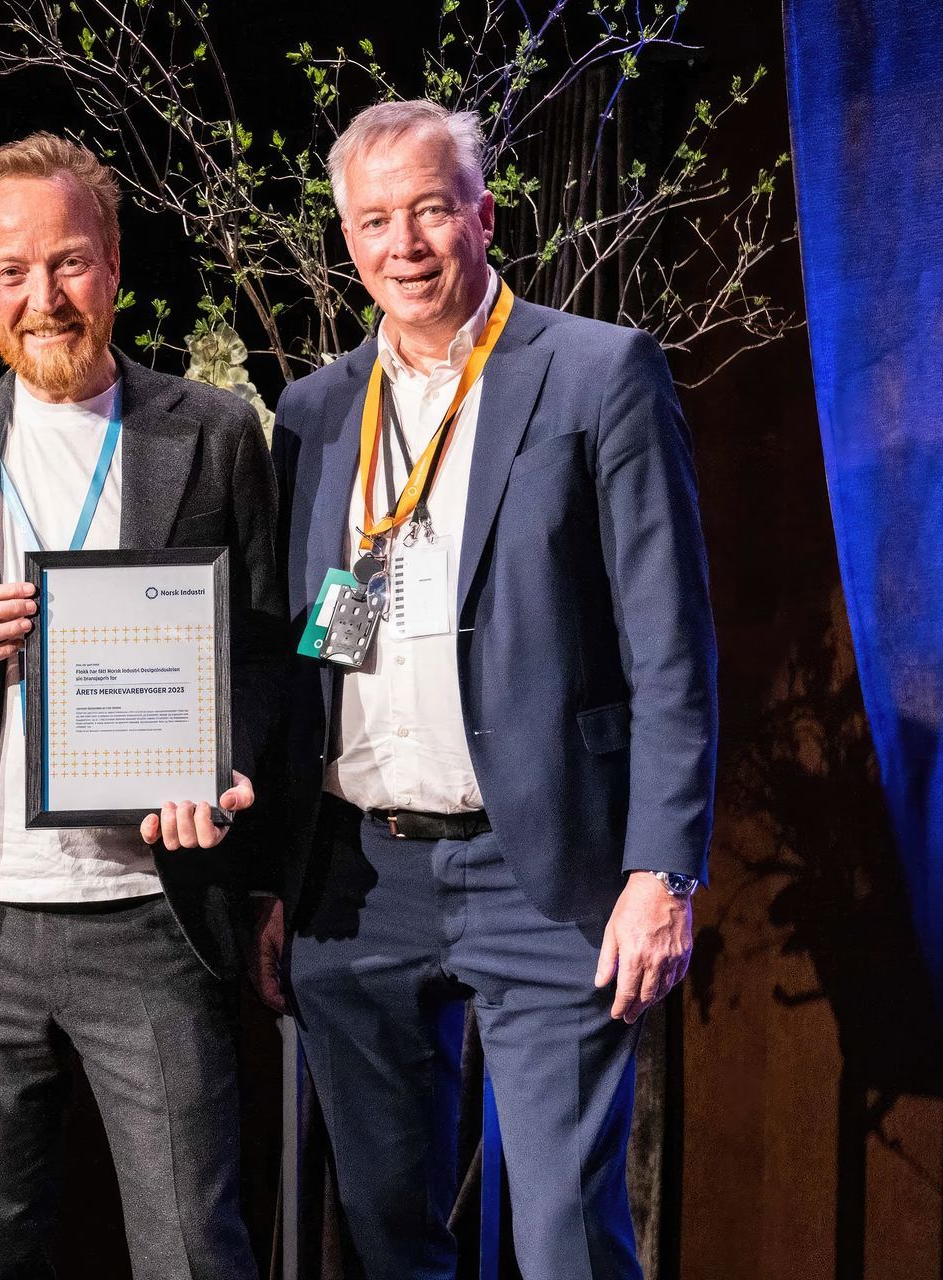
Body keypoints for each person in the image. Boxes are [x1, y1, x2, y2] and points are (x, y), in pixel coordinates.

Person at [263, 100, 716, 1279]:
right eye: (374, 220)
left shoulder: (596, 372)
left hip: (544, 871)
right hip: (360, 881)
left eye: (428, 209)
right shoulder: (314, 413)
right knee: (386, 1232)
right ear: (346, 240)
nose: (403, 243)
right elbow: (293, 655)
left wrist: (661, 868)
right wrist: (274, 871)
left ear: (483, 214)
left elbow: (672, 646)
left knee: (564, 1233)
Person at [0, 133, 283, 1278]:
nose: (42, 296)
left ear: (112, 266)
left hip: (151, 915)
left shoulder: (209, 432)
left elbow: (263, 650)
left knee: (194, 1252)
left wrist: (233, 765)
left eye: (67, 262)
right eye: (11, 271)